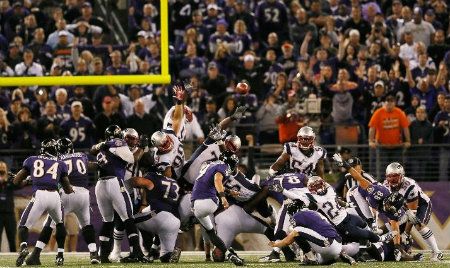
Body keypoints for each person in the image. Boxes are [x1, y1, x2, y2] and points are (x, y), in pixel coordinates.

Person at [27, 138, 99, 265]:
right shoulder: (82, 155)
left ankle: (36, 254)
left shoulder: (58, 160)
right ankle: (94, 254)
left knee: (49, 224)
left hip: (66, 192)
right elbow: (90, 167)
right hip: (83, 194)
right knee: (86, 225)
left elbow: (52, 177)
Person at [90, 125, 147, 263]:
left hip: (100, 185)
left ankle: (103, 255)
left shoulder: (103, 146)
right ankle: (136, 252)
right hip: (114, 182)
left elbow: (93, 150)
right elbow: (132, 159)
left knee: (107, 221)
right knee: (128, 218)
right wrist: (142, 148)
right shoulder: (117, 142)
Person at [13, 139, 73, 266]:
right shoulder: (60, 163)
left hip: (40, 195)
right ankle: (60, 255)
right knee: (60, 224)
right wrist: (70, 189)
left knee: (23, 225)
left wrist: (29, 180)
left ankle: (24, 247)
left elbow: (16, 181)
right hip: (55, 196)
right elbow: (67, 188)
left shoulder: (31, 159)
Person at [190, 151, 244, 266]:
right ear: (231, 163)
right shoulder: (223, 166)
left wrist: (229, 191)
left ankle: (230, 255)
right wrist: (224, 198)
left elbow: (214, 182)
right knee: (223, 215)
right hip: (209, 202)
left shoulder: (211, 165)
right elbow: (217, 180)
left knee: (211, 234)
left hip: (195, 206)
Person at [383, 162, 443, 261]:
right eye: (389, 176)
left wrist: (406, 233)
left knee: (417, 223)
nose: (392, 179)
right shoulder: (384, 185)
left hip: (421, 205)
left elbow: (412, 213)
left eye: (395, 176)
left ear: (402, 176)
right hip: (404, 208)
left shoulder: (410, 186)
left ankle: (437, 252)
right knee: (394, 229)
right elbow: (391, 212)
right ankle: (407, 249)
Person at [129, 172, 182, 262]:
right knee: (165, 258)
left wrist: (122, 184)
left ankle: (135, 252)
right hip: (175, 221)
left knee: (128, 220)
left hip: (160, 215)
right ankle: (166, 253)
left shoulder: (153, 178)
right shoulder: (173, 181)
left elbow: (138, 181)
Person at [368, 95, 410, 176]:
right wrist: (370, 140)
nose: (389, 105)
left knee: (397, 171)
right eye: (388, 103)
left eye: (391, 103)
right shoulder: (378, 112)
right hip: (382, 146)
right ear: (384, 103)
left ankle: (398, 187)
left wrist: (408, 140)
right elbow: (372, 128)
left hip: (397, 146)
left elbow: (405, 127)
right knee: (382, 170)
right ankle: (381, 187)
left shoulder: (399, 112)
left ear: (394, 104)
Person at [433, 95, 450, 181]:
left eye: (449, 101)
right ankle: (443, 191)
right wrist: (439, 126)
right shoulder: (440, 114)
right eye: (446, 102)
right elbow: (434, 130)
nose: (448, 103)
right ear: (444, 103)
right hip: (444, 146)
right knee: (443, 169)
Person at [0, 161, 16, 252]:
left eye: (3, 168)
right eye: (0, 168)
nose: (1, 170)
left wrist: (6, 179)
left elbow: (18, 185)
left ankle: (13, 256)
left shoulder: (10, 180)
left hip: (9, 213)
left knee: (11, 237)